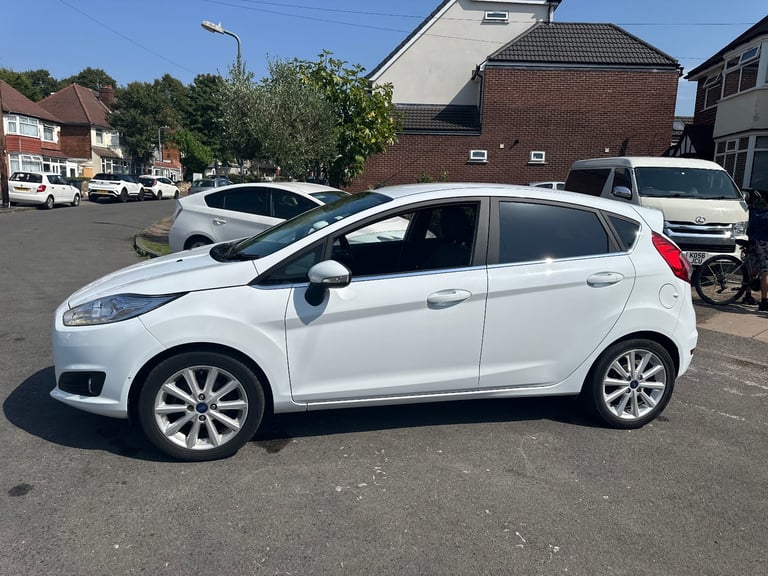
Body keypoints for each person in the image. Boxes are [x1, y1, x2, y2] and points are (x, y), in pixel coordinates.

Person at [746, 190, 768, 312]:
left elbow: (749, 231)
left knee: (751, 270)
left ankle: (747, 295)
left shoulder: (756, 214)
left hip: (754, 243)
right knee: (765, 272)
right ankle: (764, 301)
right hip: (765, 245)